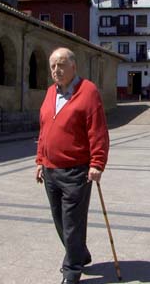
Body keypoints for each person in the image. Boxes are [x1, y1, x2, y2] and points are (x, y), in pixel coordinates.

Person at [35, 47, 110, 284]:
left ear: (73, 66)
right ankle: (81, 253)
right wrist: (39, 160)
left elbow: (97, 130)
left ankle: (72, 270)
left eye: (61, 64)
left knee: (72, 222)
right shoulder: (49, 93)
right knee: (59, 220)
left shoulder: (88, 92)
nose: (56, 70)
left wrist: (97, 162)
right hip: (50, 169)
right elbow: (44, 129)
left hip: (77, 170)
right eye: (53, 66)